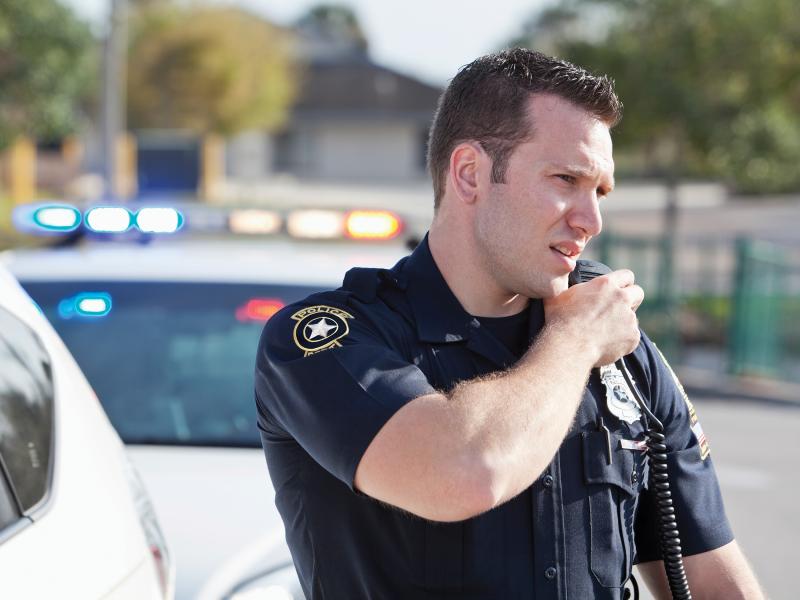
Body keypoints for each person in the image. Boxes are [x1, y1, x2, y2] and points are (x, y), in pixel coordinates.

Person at [255, 48, 763, 599]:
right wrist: (574, 339)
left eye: (600, 191)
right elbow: (464, 471)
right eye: (565, 179)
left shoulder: (623, 352)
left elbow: (715, 580)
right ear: (470, 174)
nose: (590, 220)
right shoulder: (326, 338)